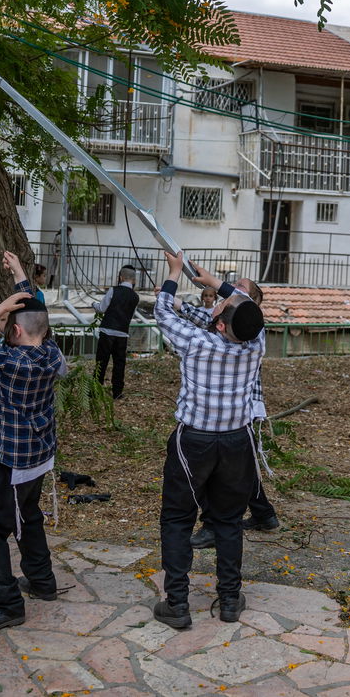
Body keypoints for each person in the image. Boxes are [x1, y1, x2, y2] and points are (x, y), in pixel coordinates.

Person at [152, 250, 266, 629]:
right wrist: (215, 283)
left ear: (219, 325)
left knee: (178, 518)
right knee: (229, 521)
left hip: (194, 442)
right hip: (237, 442)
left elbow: (163, 312)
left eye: (220, 306)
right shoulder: (256, 341)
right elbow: (244, 306)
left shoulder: (197, 344)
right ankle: (230, 600)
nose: (217, 306)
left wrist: (172, 274)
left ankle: (178, 604)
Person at [0, 251, 65, 633]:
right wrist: (20, 276)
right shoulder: (52, 354)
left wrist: (1, 305)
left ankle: (5, 603)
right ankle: (41, 581)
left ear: (15, 331)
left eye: (9, 324)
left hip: (9, 461)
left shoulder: (10, 361)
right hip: (38, 457)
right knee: (29, 517)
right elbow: (37, 312)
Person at [173, 275, 280, 548]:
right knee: (240, 470)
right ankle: (263, 513)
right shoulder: (231, 326)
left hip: (238, 413)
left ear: (252, 302)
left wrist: (210, 280)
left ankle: (213, 525)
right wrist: (179, 304)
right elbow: (203, 317)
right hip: (234, 414)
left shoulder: (252, 330)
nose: (232, 290)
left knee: (223, 473)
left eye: (240, 288)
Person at [94, 265, 139, 399]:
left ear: (120, 277)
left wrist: (94, 305)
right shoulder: (136, 297)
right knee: (119, 363)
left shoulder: (113, 290)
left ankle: (95, 391)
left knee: (101, 362)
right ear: (134, 280)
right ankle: (117, 392)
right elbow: (131, 314)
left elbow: (102, 308)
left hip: (107, 331)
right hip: (122, 333)